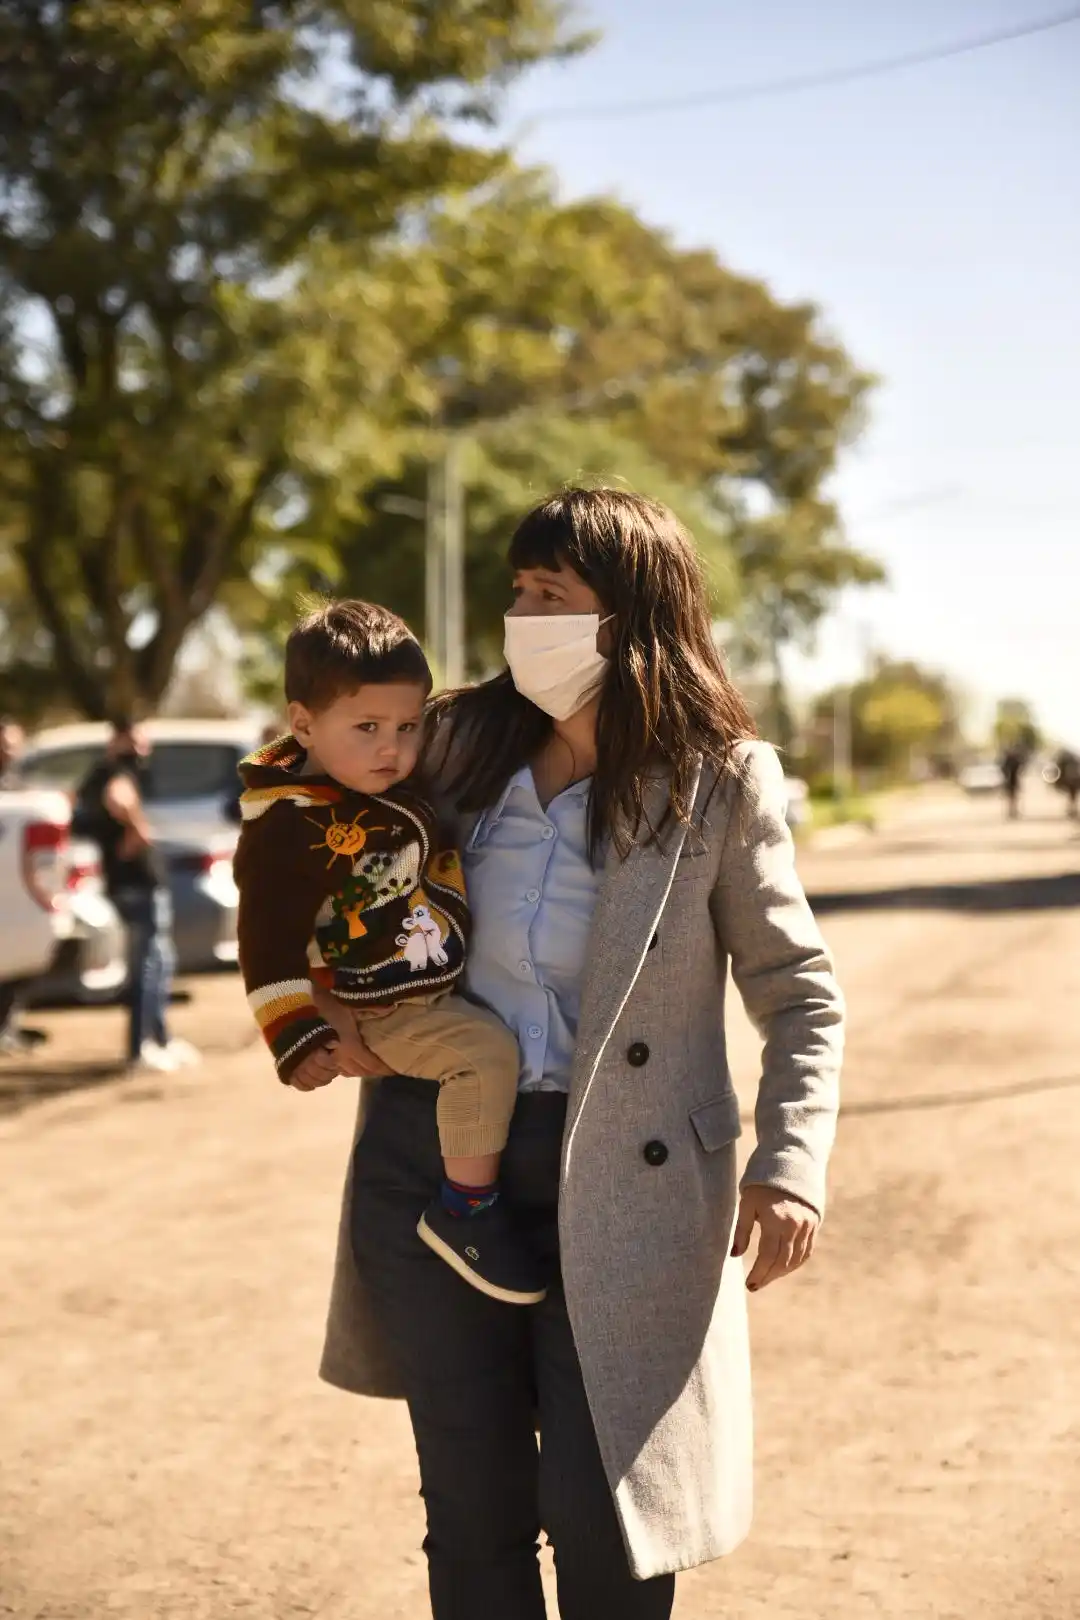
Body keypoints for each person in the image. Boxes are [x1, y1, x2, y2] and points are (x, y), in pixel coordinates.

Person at [307, 489, 844, 1620]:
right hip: (440, 1159)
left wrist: (790, 1161)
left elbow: (798, 992)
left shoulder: (719, 778)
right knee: (474, 1507)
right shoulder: (449, 742)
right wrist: (318, 999)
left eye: (552, 594)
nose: (523, 617)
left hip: (629, 1183)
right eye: (518, 592)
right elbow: (308, 843)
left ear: (632, 615)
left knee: (611, 1517)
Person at [233, 602, 539, 1304]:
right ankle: (468, 1213)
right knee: (483, 1056)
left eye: (408, 727)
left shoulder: (371, 791)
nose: (391, 749)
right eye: (366, 728)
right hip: (382, 1011)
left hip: (413, 979)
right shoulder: (289, 827)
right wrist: (298, 1030)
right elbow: (265, 941)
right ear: (303, 724)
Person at [74, 719, 196, 1073]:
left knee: (159, 962)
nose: (143, 750)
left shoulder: (103, 774)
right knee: (149, 965)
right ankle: (140, 1048)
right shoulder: (113, 772)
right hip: (135, 882)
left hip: (135, 881)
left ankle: (160, 1039)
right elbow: (118, 799)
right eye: (137, 742)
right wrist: (137, 827)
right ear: (120, 741)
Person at [999, 742, 1026, 819]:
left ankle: (1014, 811)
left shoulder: (1015, 760)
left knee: (1014, 797)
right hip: (1009, 780)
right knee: (1010, 797)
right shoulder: (1007, 760)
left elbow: (1020, 767)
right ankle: (1011, 811)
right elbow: (1003, 769)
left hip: (1014, 779)